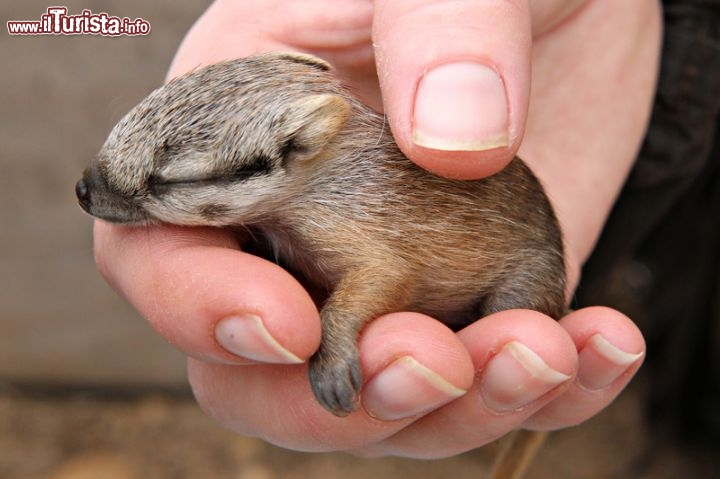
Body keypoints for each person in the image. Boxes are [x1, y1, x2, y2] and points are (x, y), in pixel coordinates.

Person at [93, 0, 657, 457]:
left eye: (166, 185)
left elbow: (384, 271)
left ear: (298, 149)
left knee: (517, 321)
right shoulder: (292, 187)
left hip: (507, 266)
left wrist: (337, 329)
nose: (104, 199)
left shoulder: (341, 201)